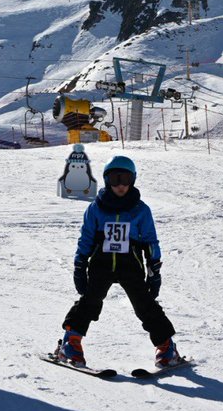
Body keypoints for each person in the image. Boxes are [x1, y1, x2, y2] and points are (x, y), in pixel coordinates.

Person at [55, 154, 183, 368]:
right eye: (115, 179)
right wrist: (80, 264)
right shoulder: (95, 209)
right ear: (107, 180)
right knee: (90, 300)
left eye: (126, 179)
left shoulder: (140, 210)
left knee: (145, 305)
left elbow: (151, 240)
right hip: (101, 263)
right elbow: (86, 238)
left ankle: (166, 346)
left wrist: (154, 268)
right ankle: (71, 342)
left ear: (133, 180)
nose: (121, 185)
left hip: (130, 264)